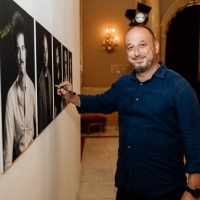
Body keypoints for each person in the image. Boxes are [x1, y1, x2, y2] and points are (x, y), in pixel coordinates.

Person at [57, 25, 200, 200]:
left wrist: (193, 191)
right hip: (127, 185)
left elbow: (195, 143)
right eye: (130, 47)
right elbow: (100, 102)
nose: (136, 52)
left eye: (142, 45)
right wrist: (71, 97)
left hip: (164, 190)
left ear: (155, 47)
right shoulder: (124, 84)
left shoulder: (180, 88)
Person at [3, 11, 36, 170]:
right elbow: (8, 143)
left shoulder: (32, 87)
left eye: (23, 48)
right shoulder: (10, 95)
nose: (21, 56)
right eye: (18, 50)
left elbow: (40, 121)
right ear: (15, 54)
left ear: (27, 51)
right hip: (19, 163)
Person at [38, 33, 53, 133]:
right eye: (43, 51)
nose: (45, 56)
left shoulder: (50, 75)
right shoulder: (39, 79)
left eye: (46, 51)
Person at [54, 46, 62, 117]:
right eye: (55, 56)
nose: (57, 58)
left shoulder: (60, 70)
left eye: (58, 56)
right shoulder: (54, 71)